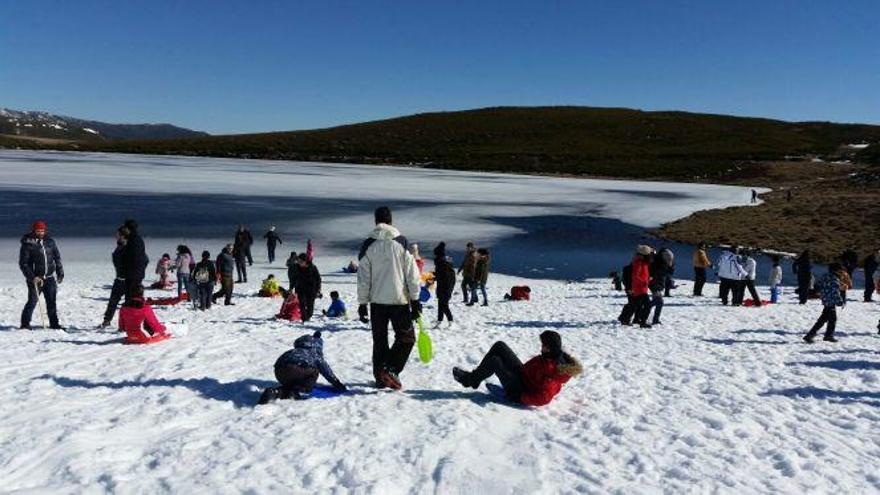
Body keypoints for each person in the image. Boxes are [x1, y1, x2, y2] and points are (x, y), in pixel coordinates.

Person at [357, 206, 421, 390]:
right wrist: (415, 300)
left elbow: (363, 278)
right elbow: (412, 274)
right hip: (398, 300)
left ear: (376, 221)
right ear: (391, 220)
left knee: (380, 341)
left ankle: (380, 376)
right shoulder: (401, 242)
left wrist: (362, 303)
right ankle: (390, 370)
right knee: (406, 338)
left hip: (377, 302)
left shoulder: (368, 245)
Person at [451, 331, 582, 406]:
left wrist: (519, 397)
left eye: (543, 345)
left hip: (519, 388)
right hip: (522, 373)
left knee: (494, 361)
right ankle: (475, 379)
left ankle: (469, 380)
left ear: (548, 347)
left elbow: (544, 398)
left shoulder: (554, 370)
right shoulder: (552, 356)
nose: (541, 347)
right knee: (500, 345)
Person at [258, 331, 346, 404]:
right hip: (298, 369)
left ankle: (276, 392)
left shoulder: (293, 351)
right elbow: (326, 371)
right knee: (315, 371)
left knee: (292, 383)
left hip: (279, 372)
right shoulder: (313, 354)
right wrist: (338, 384)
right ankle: (301, 390)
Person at [19, 220, 64, 330]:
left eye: (42, 230)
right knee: (32, 301)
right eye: (38, 230)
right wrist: (32, 277)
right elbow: (23, 263)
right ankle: (25, 324)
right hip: (35, 279)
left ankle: (54, 324)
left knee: (51, 302)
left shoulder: (50, 242)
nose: (41, 232)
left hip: (49, 278)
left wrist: (60, 272)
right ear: (33, 230)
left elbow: (57, 258)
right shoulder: (28, 244)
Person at [803, 264, 846, 343]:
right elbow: (835, 292)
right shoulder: (834, 279)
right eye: (840, 271)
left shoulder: (825, 276)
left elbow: (818, 285)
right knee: (831, 319)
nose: (842, 273)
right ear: (836, 271)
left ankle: (815, 335)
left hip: (825, 300)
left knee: (824, 319)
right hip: (831, 301)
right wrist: (840, 302)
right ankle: (826, 336)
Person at [102, 226, 129, 328]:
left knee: (128, 303)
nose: (116, 236)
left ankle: (127, 323)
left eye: (117, 234)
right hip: (119, 279)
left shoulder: (130, 248)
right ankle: (106, 321)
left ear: (123, 235)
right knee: (112, 302)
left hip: (128, 280)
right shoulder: (119, 246)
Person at [121, 219, 148, 303]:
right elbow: (145, 259)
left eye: (124, 227)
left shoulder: (133, 240)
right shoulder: (137, 239)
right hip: (137, 272)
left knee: (131, 295)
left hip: (133, 273)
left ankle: (132, 311)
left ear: (128, 228)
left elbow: (133, 257)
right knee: (134, 294)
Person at [433, 242, 456, 327]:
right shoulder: (446, 261)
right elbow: (442, 274)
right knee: (441, 303)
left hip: (445, 286)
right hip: (447, 284)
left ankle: (450, 320)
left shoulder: (440, 262)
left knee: (443, 303)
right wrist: (435, 276)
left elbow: (443, 275)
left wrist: (435, 277)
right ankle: (439, 320)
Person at [294, 253, 322, 322]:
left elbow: (318, 279)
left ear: (305, 261)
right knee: (302, 304)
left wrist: (318, 289)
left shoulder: (312, 268)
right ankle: (304, 319)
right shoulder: (297, 267)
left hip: (311, 290)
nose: (299, 263)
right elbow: (294, 278)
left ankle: (307, 316)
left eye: (301, 261)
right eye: (299, 261)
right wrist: (293, 288)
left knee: (310, 309)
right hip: (301, 289)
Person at [631, 245, 653, 328]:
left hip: (642, 287)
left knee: (636, 305)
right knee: (647, 305)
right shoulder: (639, 263)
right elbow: (635, 276)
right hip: (640, 288)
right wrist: (644, 281)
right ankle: (642, 322)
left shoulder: (643, 263)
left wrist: (647, 279)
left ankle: (635, 319)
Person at [648, 250, 669, 325]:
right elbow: (656, 274)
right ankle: (644, 311)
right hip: (655, 285)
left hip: (656, 284)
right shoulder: (657, 263)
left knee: (657, 301)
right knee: (659, 302)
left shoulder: (656, 262)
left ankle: (654, 318)